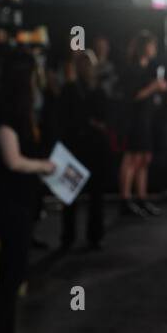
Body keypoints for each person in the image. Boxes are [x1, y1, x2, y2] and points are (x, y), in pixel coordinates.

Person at [0, 49, 55, 333]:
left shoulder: (21, 113)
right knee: (10, 276)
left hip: (19, 202)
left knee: (14, 274)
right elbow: (13, 160)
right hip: (9, 205)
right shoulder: (7, 114)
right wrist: (42, 166)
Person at [57, 48, 110, 250]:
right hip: (77, 146)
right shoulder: (70, 89)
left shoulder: (97, 90)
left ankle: (91, 236)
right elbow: (65, 117)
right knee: (70, 195)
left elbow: (104, 119)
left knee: (92, 195)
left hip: (91, 146)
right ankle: (71, 237)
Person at [119, 30, 167, 217]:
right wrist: (153, 87)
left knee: (145, 158)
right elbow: (134, 96)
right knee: (132, 158)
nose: (154, 49)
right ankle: (125, 199)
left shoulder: (148, 68)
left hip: (147, 118)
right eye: (151, 45)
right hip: (134, 119)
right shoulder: (131, 69)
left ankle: (141, 197)